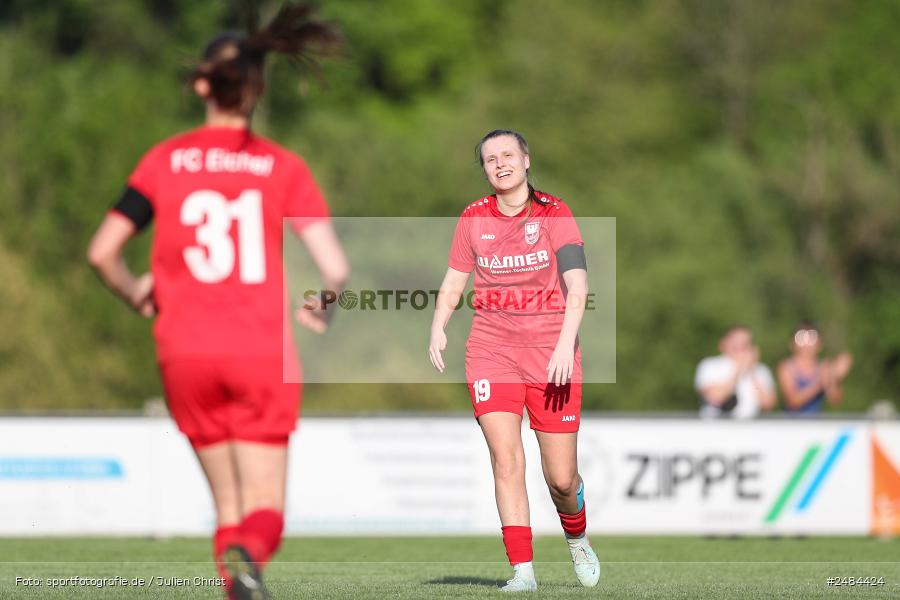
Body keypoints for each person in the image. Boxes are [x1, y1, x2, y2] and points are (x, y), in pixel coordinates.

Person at [86, 5, 348, 599]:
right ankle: (248, 555)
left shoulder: (163, 161)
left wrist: (135, 294)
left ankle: (237, 580)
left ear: (202, 83)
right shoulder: (281, 167)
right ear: (256, 88)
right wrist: (319, 302)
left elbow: (102, 251)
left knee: (227, 504)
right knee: (264, 513)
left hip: (185, 352)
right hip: (259, 353)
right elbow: (334, 267)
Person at [428, 129, 600, 592]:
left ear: (526, 160)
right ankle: (522, 570)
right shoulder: (472, 218)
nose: (500, 163)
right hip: (491, 351)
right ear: (484, 169)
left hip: (552, 355)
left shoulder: (554, 212)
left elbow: (578, 286)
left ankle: (577, 535)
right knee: (506, 460)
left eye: (507, 155)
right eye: (489, 159)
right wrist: (439, 324)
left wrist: (566, 344)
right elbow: (453, 281)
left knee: (561, 479)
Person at [695, 326, 776, 419]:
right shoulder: (710, 365)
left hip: (752, 427)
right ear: (723, 344)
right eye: (736, 342)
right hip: (716, 426)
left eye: (745, 343)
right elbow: (715, 398)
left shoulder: (760, 370)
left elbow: (768, 404)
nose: (740, 346)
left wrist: (752, 371)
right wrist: (738, 371)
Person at [777, 323, 853, 414]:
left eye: (812, 338)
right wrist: (819, 383)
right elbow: (793, 402)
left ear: (819, 343)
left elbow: (836, 400)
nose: (807, 344)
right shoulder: (786, 367)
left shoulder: (823, 368)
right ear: (792, 343)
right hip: (791, 425)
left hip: (815, 426)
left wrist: (834, 376)